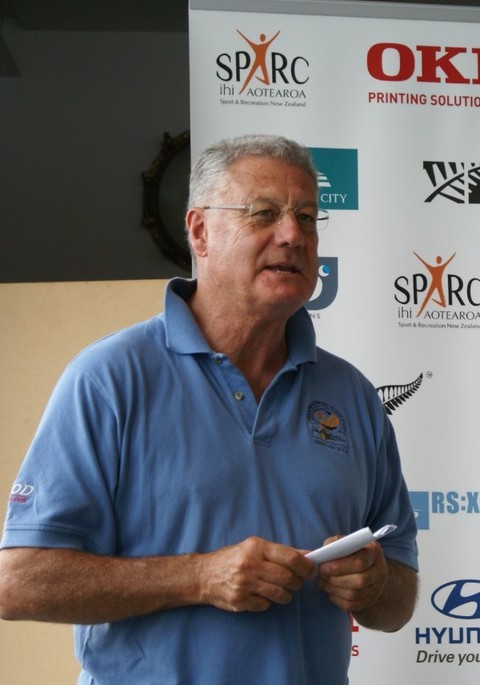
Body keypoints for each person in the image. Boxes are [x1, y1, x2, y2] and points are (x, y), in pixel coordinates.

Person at [0, 134, 419, 683]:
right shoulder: (109, 378)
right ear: (199, 231)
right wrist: (199, 577)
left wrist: (374, 584)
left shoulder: (354, 396)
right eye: (264, 213)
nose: (293, 235)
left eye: (308, 217)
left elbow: (401, 594)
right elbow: (20, 582)